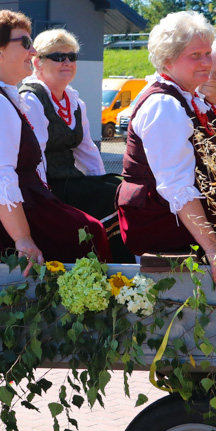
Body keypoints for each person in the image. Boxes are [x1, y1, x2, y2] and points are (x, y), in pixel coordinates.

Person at [0, 10, 110, 272]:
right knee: (88, 234)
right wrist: (23, 239)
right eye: (26, 43)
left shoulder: (0, 94)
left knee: (92, 226)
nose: (33, 52)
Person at [117, 12, 216, 287]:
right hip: (157, 220)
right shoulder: (164, 105)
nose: (206, 63)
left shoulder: (186, 96)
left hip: (170, 215)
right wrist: (213, 248)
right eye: (195, 55)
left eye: (207, 53)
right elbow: (176, 186)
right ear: (168, 59)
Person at [20, 29, 134, 263]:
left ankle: (124, 262)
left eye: (72, 57)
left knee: (123, 189)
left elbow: (88, 152)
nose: (67, 62)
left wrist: (99, 181)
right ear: (37, 62)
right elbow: (36, 155)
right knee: (111, 194)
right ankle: (119, 263)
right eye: (58, 56)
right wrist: (45, 199)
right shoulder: (31, 98)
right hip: (45, 186)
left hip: (70, 182)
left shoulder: (74, 102)